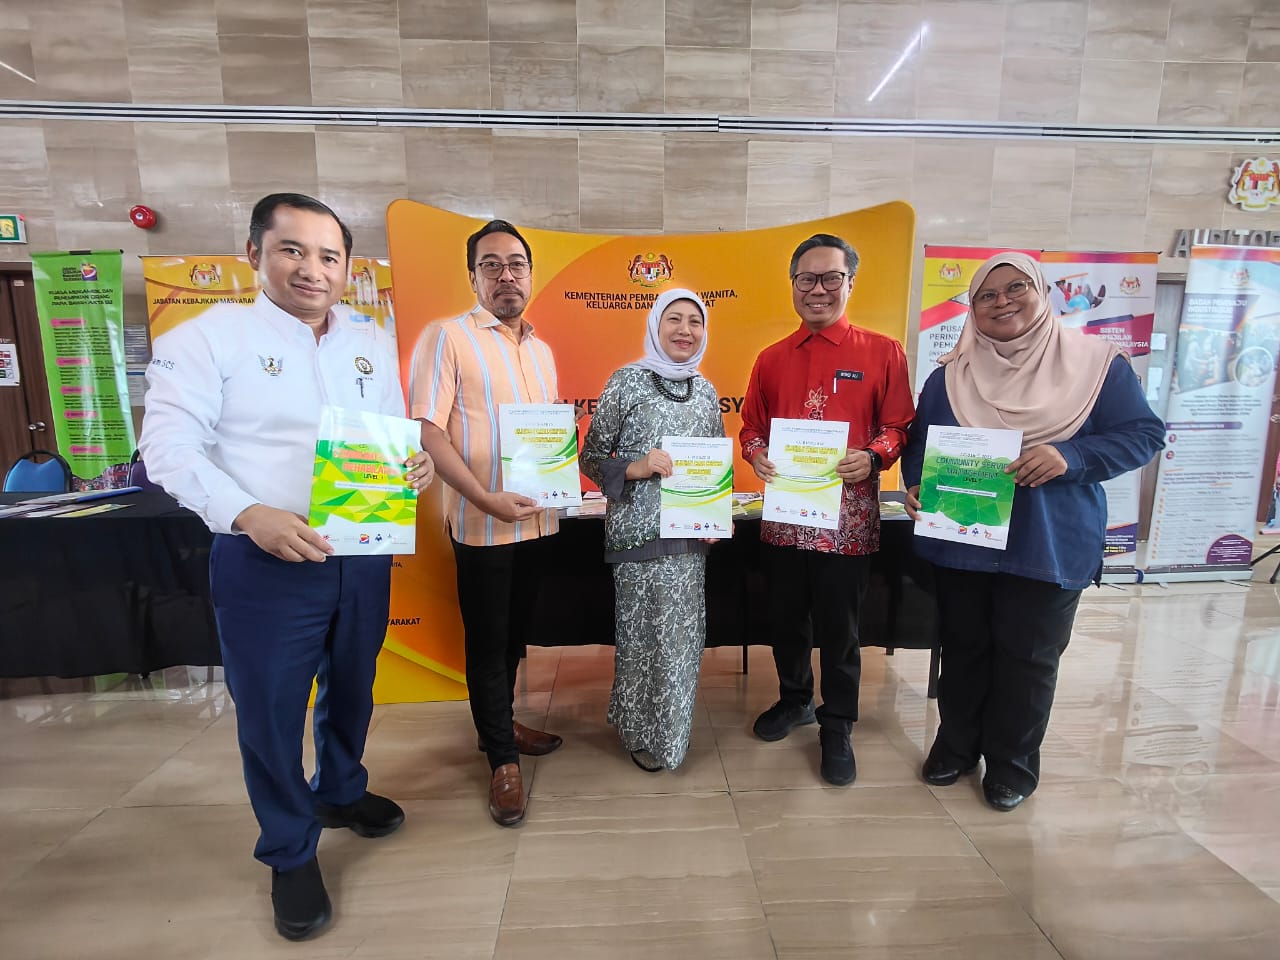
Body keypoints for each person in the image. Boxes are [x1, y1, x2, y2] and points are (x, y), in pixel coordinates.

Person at [141, 193, 433, 941]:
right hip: (263, 558)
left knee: (354, 684)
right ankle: (289, 849)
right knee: (271, 710)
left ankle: (340, 789)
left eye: (329, 256)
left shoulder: (370, 340)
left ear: (347, 267)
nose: (312, 269)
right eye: (292, 250)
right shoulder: (208, 339)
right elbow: (167, 448)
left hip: (360, 551)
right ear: (255, 254)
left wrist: (414, 465)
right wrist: (247, 513)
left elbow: (389, 434)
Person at [902, 252, 1164, 812]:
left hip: (1047, 541)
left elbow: (1143, 435)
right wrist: (916, 483)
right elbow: (920, 444)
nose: (1002, 302)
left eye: (1015, 287)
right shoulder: (950, 376)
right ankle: (956, 746)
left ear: (1042, 293)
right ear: (973, 309)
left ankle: (1012, 765)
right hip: (965, 539)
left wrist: (1071, 456)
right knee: (964, 649)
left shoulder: (1097, 367)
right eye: (986, 295)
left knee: (1029, 657)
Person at [739, 233, 914, 786]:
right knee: (786, 620)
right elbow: (750, 428)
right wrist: (756, 454)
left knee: (841, 629)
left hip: (848, 521)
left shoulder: (883, 352)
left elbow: (899, 426)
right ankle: (795, 700)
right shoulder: (771, 359)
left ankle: (837, 724)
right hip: (785, 517)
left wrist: (874, 455)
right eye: (806, 279)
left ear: (849, 283)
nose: (818, 289)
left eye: (831, 278)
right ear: (793, 284)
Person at [410, 219, 564, 828]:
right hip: (482, 524)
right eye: (491, 264)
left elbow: (544, 437)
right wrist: (483, 497)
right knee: (486, 639)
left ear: (530, 274)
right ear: (473, 276)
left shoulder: (541, 350)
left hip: (538, 524)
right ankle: (501, 758)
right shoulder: (447, 337)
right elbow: (428, 430)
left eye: (516, 264)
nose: (506, 275)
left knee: (514, 637)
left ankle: (498, 724)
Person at [581, 289, 726, 772]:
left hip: (688, 540)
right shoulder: (626, 382)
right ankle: (637, 731)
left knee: (682, 640)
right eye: (674, 319)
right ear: (655, 326)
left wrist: (715, 515)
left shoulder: (706, 392)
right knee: (641, 638)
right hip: (636, 536)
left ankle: (672, 738)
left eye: (695, 322)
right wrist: (637, 467)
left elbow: (713, 464)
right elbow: (591, 458)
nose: (685, 330)